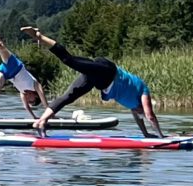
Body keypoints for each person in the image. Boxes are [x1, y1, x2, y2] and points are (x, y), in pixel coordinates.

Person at [18, 25, 166, 137]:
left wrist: (146, 134)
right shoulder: (143, 92)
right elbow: (150, 116)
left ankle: (42, 121)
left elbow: (141, 119)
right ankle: (39, 36)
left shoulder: (135, 107)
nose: (141, 113)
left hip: (98, 80)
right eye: (143, 110)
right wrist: (161, 136)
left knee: (68, 97)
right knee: (71, 61)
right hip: (108, 71)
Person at [0, 14, 43, 122]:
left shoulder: (22, 93)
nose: (29, 101)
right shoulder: (36, 86)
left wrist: (34, 118)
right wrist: (49, 113)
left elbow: (26, 107)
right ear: (35, 96)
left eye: (30, 103)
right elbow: (45, 101)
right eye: (32, 101)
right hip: (14, 64)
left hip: (7, 73)